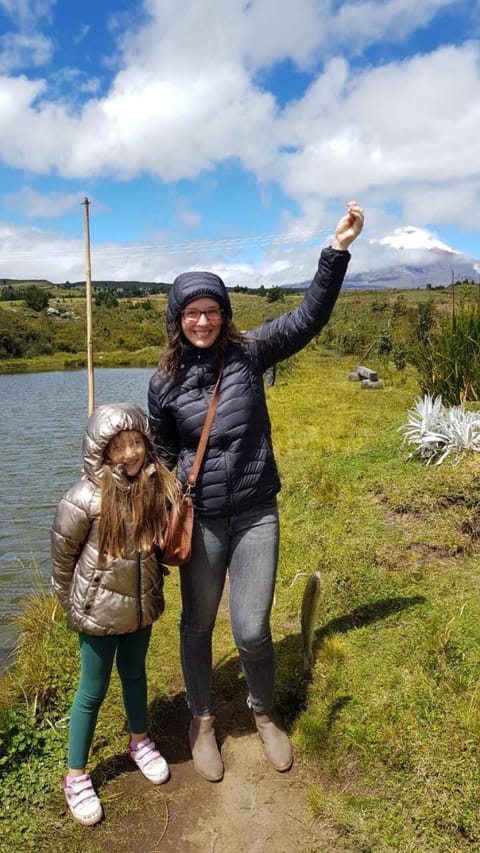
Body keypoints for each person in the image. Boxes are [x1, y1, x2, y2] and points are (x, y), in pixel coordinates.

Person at [147, 201, 364, 782]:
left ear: (225, 314)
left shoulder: (248, 353)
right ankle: (200, 722)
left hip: (255, 513)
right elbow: (163, 458)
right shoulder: (162, 385)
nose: (202, 321)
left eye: (212, 311)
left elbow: (307, 318)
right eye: (192, 312)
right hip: (204, 519)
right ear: (177, 318)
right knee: (196, 625)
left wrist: (336, 251)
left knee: (250, 628)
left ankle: (263, 712)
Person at [51, 403, 180, 826]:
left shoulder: (154, 486)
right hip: (98, 612)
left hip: (140, 606)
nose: (130, 453)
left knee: (136, 673)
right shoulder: (83, 498)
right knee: (92, 690)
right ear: (101, 452)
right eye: (119, 447)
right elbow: (62, 558)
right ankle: (76, 775)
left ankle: (139, 740)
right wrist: (71, 605)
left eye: (136, 443)